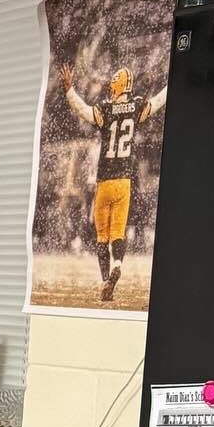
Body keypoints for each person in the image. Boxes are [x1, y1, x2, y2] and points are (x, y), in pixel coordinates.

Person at [60, 60, 167, 302]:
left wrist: (69, 90)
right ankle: (118, 264)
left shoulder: (107, 109)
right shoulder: (136, 106)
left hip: (105, 180)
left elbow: (84, 111)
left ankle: (104, 280)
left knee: (102, 235)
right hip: (125, 182)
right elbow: (158, 102)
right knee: (118, 232)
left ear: (117, 86)